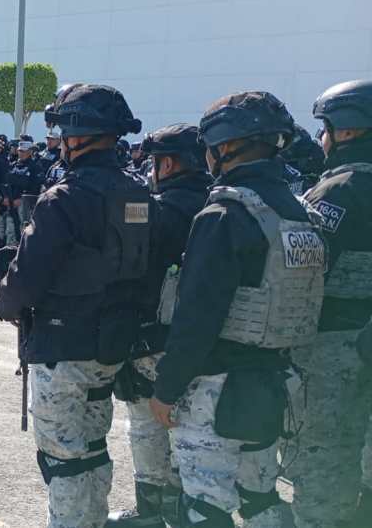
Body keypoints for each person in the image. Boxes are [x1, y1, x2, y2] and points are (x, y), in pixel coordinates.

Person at [150, 91, 323, 527]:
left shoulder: (226, 213)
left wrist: (167, 389)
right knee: (260, 498)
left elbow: (197, 315)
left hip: (216, 386)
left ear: (223, 146)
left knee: (204, 509)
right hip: (274, 381)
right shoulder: (300, 212)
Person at [0, 84, 148, 528]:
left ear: (77, 136)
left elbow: (26, 279)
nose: (60, 141)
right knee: (93, 446)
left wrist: (5, 303)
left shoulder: (64, 197)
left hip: (64, 346)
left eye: (63, 132)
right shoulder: (137, 193)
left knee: (62, 458)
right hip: (113, 345)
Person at [106, 124, 211, 528]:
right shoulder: (220, 202)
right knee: (192, 433)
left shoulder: (158, 210)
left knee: (148, 426)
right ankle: (180, 510)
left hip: (154, 340)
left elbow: (130, 274)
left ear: (166, 164)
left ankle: (152, 512)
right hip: (205, 342)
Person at [289, 80, 372, 528]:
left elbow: (305, 270)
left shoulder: (339, 190)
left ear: (345, 131)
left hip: (338, 347)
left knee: (324, 456)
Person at [1, 141, 44, 245]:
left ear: (30, 152)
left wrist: (22, 199)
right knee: (10, 228)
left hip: (25, 204)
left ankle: (23, 252)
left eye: (24, 151)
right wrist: (6, 196)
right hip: (11, 201)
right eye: (20, 151)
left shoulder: (35, 167)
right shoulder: (13, 165)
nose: (21, 153)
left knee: (24, 229)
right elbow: (6, 182)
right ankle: (9, 250)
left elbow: (36, 187)